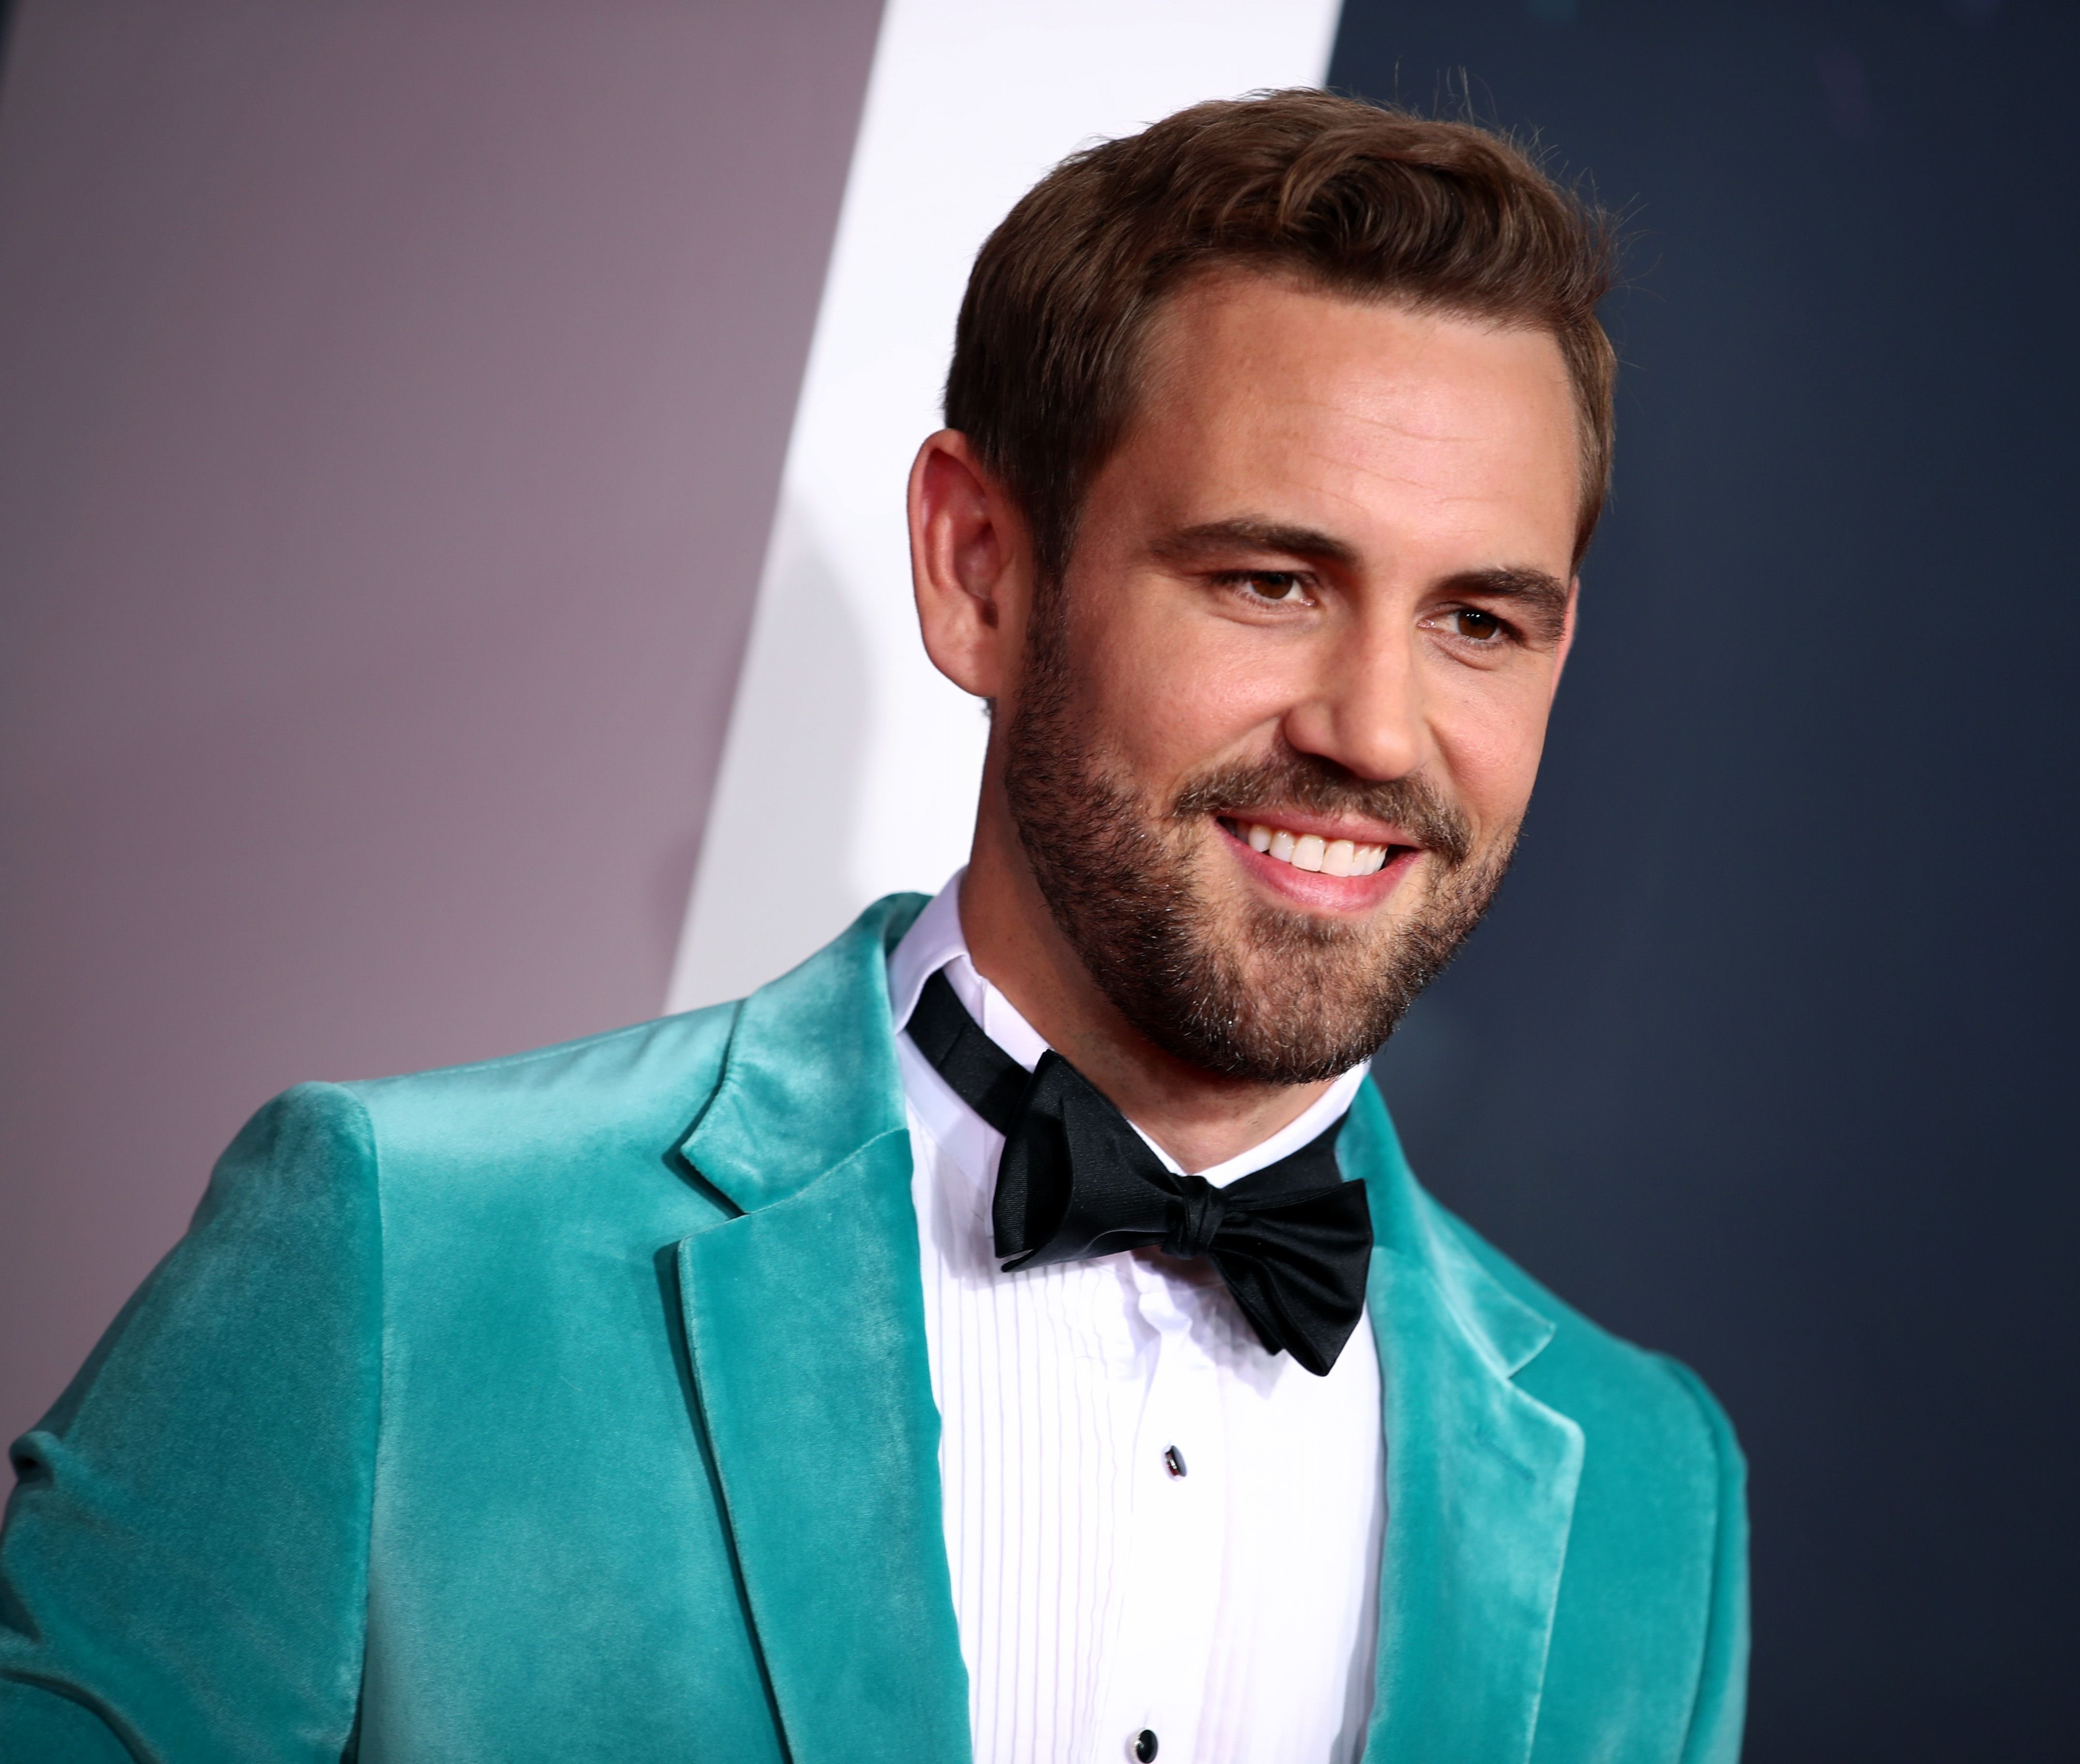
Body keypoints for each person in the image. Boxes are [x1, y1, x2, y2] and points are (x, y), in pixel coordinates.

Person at [0, 90, 1746, 1764]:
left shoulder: (1648, 1494)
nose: (1374, 731)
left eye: (1480, 623)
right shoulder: (401, 1259)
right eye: (1270, 582)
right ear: (980, 566)